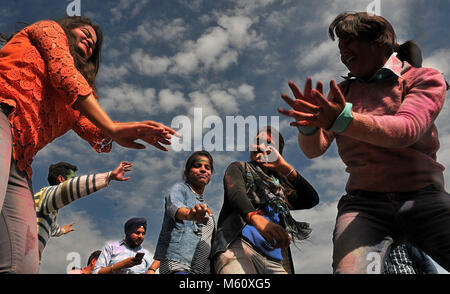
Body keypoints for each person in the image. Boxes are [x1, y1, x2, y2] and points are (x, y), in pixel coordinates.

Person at [0, 16, 176, 273]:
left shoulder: (75, 100)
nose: (89, 42)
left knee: (23, 261)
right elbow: (65, 74)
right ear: (66, 30)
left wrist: (118, 132)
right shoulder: (48, 30)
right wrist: (112, 128)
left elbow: (93, 128)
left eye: (94, 45)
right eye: (84, 33)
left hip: (21, 160)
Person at [278, 12, 450, 274]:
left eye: (349, 42)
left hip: (422, 197)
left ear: (381, 42)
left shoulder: (423, 78)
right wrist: (310, 127)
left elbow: (407, 129)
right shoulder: (343, 93)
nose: (343, 52)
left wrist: (343, 119)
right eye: (340, 47)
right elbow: (314, 150)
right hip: (363, 206)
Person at [211, 127, 319, 274]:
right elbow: (236, 194)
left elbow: (311, 199)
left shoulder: (279, 188)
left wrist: (286, 168)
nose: (261, 146)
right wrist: (256, 218)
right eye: (257, 141)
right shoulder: (239, 168)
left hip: (275, 261)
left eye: (268, 143)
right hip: (238, 247)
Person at [35, 161, 132, 260]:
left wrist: (63, 230)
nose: (74, 181)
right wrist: (109, 176)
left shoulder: (50, 211)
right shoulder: (44, 194)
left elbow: (53, 229)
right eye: (72, 179)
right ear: (61, 179)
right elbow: (70, 188)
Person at [154, 151, 215, 274]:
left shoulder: (205, 206)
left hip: (200, 270)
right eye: (197, 166)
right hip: (178, 264)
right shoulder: (180, 189)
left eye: (207, 167)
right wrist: (189, 214)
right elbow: (174, 206)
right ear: (187, 172)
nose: (203, 170)